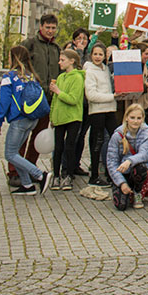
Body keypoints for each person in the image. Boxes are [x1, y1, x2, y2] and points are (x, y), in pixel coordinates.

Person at [9, 14, 60, 188]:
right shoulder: (29, 44)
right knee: (21, 137)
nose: (50, 30)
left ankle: (30, 169)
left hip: (46, 101)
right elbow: (17, 64)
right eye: (48, 27)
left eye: (53, 28)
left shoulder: (56, 48)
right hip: (29, 98)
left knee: (37, 139)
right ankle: (14, 172)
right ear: (41, 27)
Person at [0, 45, 52, 196]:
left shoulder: (9, 77)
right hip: (31, 119)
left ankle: (40, 175)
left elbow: (4, 101)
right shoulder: (30, 75)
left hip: (19, 120)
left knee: (10, 154)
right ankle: (27, 185)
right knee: (16, 153)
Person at [49, 49, 85, 191]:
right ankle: (56, 175)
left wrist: (58, 91)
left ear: (72, 61)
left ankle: (68, 175)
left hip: (72, 117)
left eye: (62, 60)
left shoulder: (77, 77)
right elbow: (55, 100)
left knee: (69, 147)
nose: (59, 62)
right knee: (58, 147)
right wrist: (52, 116)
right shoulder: (60, 77)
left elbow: (73, 99)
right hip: (59, 117)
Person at [107, 103, 148, 211]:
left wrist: (129, 161)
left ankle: (138, 192)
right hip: (121, 172)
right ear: (126, 118)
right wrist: (121, 183)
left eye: (138, 118)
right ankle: (122, 187)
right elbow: (111, 161)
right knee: (121, 206)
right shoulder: (117, 136)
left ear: (142, 119)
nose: (135, 121)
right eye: (132, 118)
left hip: (136, 170)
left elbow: (144, 154)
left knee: (140, 168)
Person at [84, 42, 117, 186]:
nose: (98, 57)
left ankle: (111, 173)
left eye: (100, 54)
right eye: (95, 54)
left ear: (105, 56)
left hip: (110, 109)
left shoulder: (105, 70)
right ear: (91, 55)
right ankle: (94, 176)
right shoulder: (89, 71)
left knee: (115, 138)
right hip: (97, 110)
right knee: (97, 142)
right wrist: (112, 96)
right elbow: (91, 95)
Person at [69, 28, 91, 179]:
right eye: (79, 38)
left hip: (87, 103)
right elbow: (78, 68)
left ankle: (76, 164)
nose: (82, 41)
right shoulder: (71, 54)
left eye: (85, 38)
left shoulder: (90, 55)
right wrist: (80, 51)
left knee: (81, 135)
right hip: (75, 102)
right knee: (72, 136)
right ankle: (68, 167)